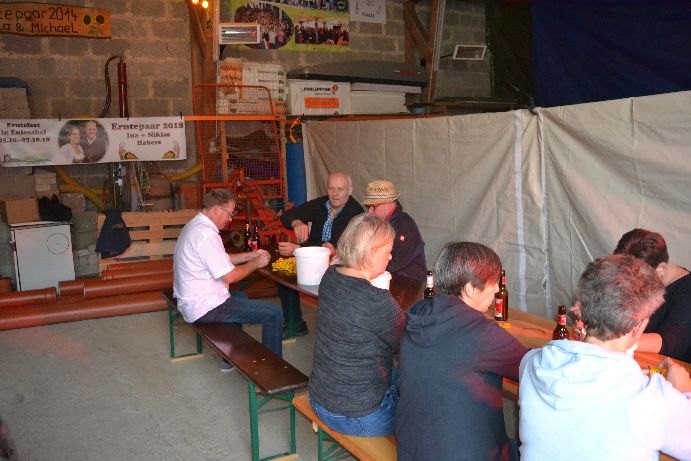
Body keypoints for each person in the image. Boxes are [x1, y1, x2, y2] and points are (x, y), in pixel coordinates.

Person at [519, 254, 691, 461]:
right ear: (639, 328)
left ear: (580, 310)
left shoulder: (533, 364)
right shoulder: (655, 400)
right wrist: (685, 392)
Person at [396, 242, 528, 461]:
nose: (498, 290)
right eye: (493, 282)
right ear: (470, 288)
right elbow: (536, 368)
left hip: (412, 450)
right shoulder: (481, 333)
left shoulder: (417, 314)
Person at [308, 213, 404, 436]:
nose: (390, 257)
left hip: (320, 398)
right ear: (370, 255)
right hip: (357, 417)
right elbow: (409, 344)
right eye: (387, 251)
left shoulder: (330, 276)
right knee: (429, 402)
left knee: (399, 375)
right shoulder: (377, 300)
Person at [173, 188, 283, 371]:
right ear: (217, 210)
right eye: (230, 214)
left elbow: (220, 259)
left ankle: (231, 356)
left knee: (240, 297)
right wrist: (255, 263)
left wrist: (250, 256)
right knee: (274, 313)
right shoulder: (206, 235)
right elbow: (230, 276)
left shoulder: (195, 225)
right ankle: (274, 370)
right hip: (203, 307)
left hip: (191, 302)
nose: (230, 219)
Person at [277, 172, 363, 337]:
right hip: (311, 259)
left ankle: (337, 334)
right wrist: (297, 222)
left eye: (340, 189)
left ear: (350, 190)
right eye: (331, 188)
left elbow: (340, 250)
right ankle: (295, 324)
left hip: (338, 266)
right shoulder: (322, 203)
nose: (334, 193)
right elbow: (287, 216)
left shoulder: (355, 213)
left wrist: (299, 249)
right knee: (284, 277)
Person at [613, 228, 691, 362]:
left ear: (661, 269)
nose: (630, 282)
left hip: (668, 367)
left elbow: (670, 343)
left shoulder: (687, 290)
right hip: (632, 359)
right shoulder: (635, 274)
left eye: (636, 277)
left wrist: (612, 340)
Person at [362, 179, 426, 282]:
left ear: (387, 203)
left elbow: (392, 264)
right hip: (389, 279)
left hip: (408, 284)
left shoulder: (405, 226)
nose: (370, 212)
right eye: (368, 207)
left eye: (373, 207)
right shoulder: (382, 222)